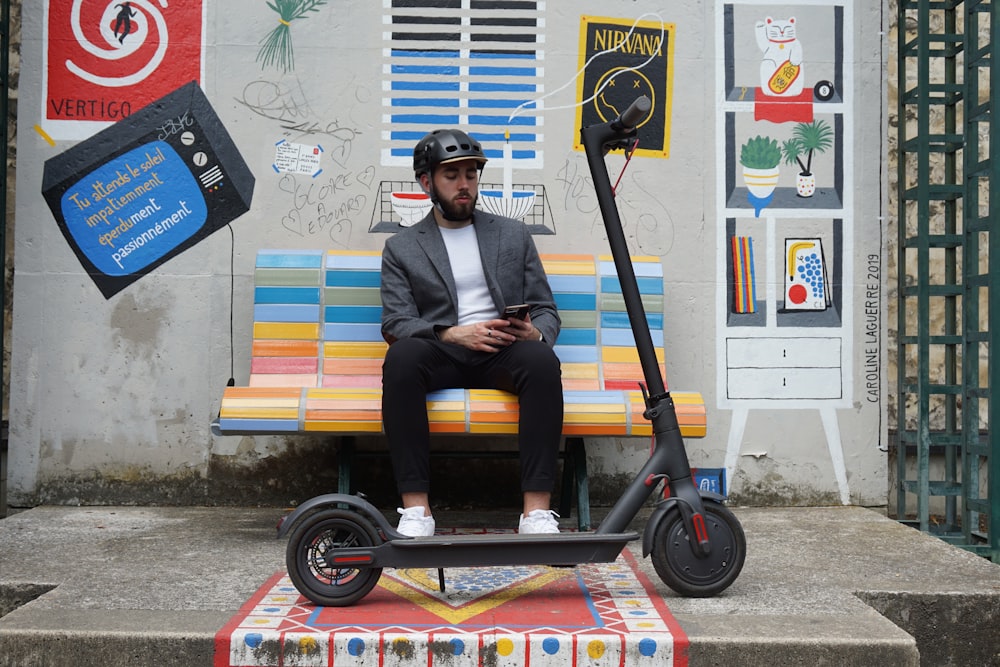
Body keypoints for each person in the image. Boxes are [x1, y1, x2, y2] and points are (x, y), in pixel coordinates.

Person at [380, 128, 564, 537]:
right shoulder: (402, 247)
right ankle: (416, 511)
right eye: (452, 176)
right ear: (427, 182)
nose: (464, 185)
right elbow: (396, 322)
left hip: (502, 349)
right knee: (401, 359)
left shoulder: (513, 234)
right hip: (443, 352)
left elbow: (547, 307)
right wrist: (450, 334)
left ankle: (535, 513)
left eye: (471, 174)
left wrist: (535, 334)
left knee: (541, 361)